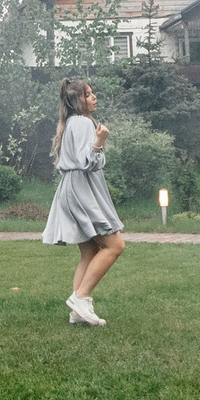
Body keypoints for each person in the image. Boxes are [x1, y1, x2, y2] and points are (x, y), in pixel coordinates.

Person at [42, 77, 125, 325]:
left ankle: (78, 311)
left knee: (89, 250)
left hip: (75, 187)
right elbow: (86, 161)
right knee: (115, 245)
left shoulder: (73, 122)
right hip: (82, 190)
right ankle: (81, 297)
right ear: (79, 100)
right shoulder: (81, 123)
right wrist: (100, 141)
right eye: (89, 94)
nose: (94, 97)